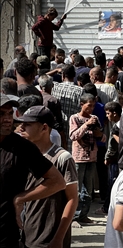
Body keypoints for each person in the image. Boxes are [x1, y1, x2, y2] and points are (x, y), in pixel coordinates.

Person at [0, 94, 66, 248]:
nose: (8, 119)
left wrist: (21, 198)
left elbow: (57, 182)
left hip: (6, 234)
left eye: (10, 113)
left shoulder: (22, 147)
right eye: (1, 114)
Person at [15, 106, 78, 248]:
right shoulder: (25, 156)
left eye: (28, 124)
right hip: (29, 233)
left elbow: (72, 199)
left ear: (44, 128)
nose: (21, 128)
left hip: (50, 236)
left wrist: (59, 238)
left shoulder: (62, 158)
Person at [69, 93, 106, 225]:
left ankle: (83, 215)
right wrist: (86, 125)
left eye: (93, 106)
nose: (91, 109)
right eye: (89, 106)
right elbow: (73, 136)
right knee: (76, 189)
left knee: (88, 190)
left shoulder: (94, 118)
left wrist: (98, 133)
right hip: (79, 158)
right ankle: (74, 217)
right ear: (81, 104)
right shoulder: (75, 118)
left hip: (92, 158)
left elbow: (102, 136)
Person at [52, 64, 83, 152]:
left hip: (58, 129)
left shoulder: (55, 87)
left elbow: (41, 78)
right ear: (74, 76)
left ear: (63, 75)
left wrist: (55, 71)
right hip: (73, 129)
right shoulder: (80, 90)